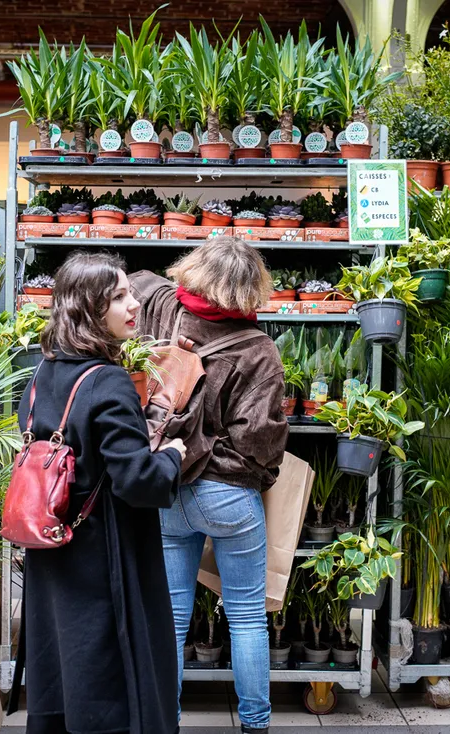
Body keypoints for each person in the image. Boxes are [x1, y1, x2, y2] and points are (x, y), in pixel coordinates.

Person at [14, 251, 188, 734]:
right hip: (105, 562)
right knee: (113, 681)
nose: (134, 304)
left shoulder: (40, 374)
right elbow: (136, 481)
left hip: (54, 554)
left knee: (66, 673)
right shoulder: (108, 381)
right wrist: (171, 455)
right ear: (89, 309)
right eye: (118, 296)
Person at [130, 236, 289, 734]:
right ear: (249, 291)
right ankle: (255, 724)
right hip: (228, 496)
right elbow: (261, 443)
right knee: (245, 617)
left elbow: (134, 284)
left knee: (172, 618)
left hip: (167, 485)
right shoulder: (258, 351)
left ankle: (166, 721)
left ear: (194, 271)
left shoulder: (159, 310)